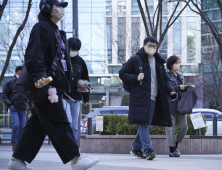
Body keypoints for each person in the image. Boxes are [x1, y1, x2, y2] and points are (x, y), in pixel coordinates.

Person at [7, 0, 99, 170]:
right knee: (61, 122)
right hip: (47, 87)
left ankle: (17, 160)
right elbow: (34, 56)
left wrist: (83, 92)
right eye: (59, 6)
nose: (62, 9)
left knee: (37, 126)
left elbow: (76, 74)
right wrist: (41, 78)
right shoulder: (42, 27)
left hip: (61, 88)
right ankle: (75, 160)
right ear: (47, 8)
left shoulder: (56, 31)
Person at [119, 36, 176, 160]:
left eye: (154, 46)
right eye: (149, 45)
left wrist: (171, 91)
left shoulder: (159, 62)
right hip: (140, 97)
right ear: (144, 46)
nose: (152, 48)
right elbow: (122, 73)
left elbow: (165, 79)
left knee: (145, 124)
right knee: (144, 124)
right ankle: (149, 150)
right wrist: (136, 78)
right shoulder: (136, 59)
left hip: (154, 97)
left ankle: (135, 148)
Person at [165, 56, 195, 157]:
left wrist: (188, 87)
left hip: (181, 105)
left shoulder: (180, 75)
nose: (178, 64)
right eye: (176, 62)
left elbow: (182, 89)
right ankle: (171, 150)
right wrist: (178, 87)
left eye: (179, 62)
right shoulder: (166, 75)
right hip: (170, 104)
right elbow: (166, 89)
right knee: (170, 129)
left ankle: (175, 146)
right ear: (171, 64)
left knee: (184, 127)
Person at [63, 38, 90, 141]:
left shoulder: (80, 61)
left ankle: (73, 147)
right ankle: (65, 145)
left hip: (76, 97)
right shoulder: (62, 59)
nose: (74, 51)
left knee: (74, 125)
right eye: (72, 49)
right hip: (64, 96)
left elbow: (85, 80)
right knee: (67, 122)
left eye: (76, 49)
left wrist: (86, 98)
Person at [2, 66, 28, 152]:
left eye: (22, 74)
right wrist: (10, 105)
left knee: (22, 127)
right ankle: (14, 143)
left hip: (23, 108)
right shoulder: (9, 83)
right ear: (15, 73)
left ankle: (19, 144)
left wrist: (27, 102)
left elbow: (29, 94)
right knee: (15, 125)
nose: (20, 75)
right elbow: (4, 95)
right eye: (19, 74)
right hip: (14, 108)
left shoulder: (25, 82)